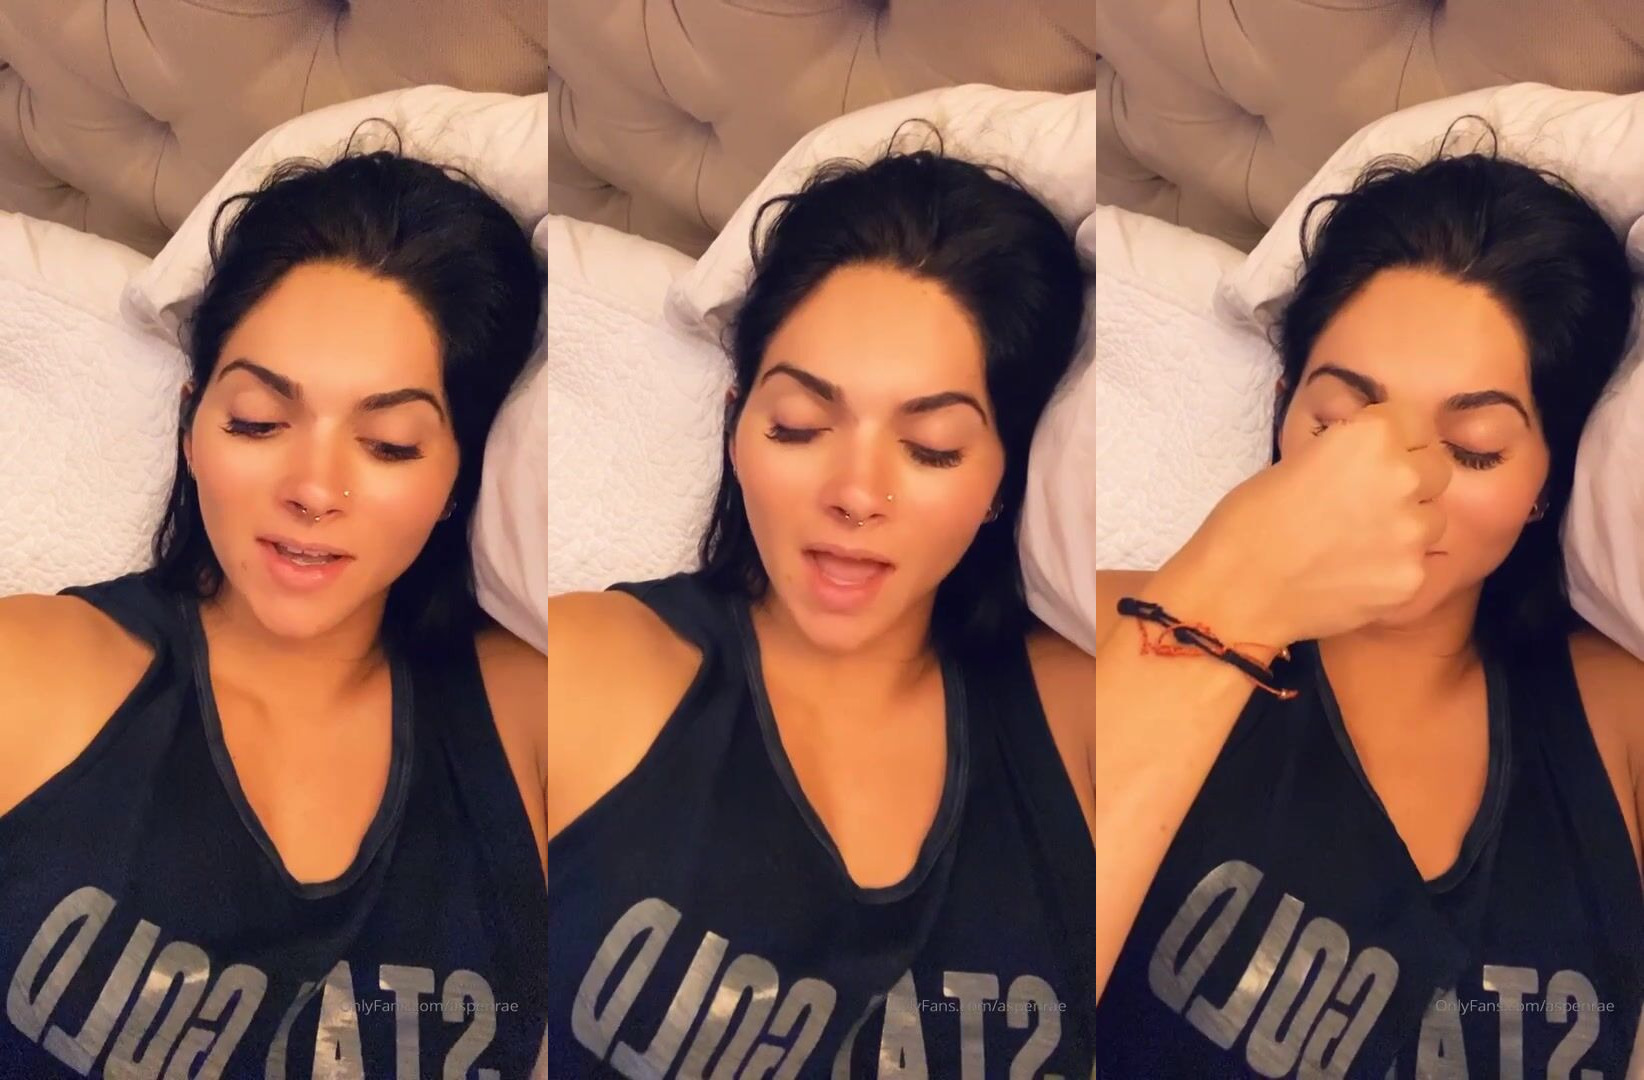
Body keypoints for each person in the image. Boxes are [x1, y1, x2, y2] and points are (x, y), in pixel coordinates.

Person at [544, 145, 1094, 1077]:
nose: (855, 493)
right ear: (736, 427)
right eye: (799, 427)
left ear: (1004, 481)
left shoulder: (1081, 713)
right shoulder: (590, 670)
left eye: (931, 447)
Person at [0, 143, 549, 1077]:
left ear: (460, 479)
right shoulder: (32, 676)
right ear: (191, 427)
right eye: (258, 421)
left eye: (389, 443)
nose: (313, 488)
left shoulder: (538, 716)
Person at [1094, 148, 1644, 1076]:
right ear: (1282, 413)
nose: (1399, 484)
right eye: (1342, 424)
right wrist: (1236, 582)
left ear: (1547, 484)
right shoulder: (1132, 628)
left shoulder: (1615, 714)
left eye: (1473, 447)